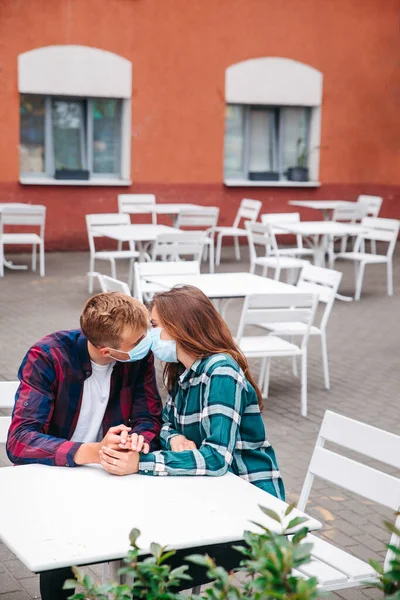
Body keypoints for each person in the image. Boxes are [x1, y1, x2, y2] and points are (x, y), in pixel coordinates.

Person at [6, 291, 163, 600]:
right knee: (60, 555)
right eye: (138, 340)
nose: (148, 342)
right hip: (55, 475)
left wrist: (137, 439)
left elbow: (148, 415)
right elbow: (20, 439)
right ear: (108, 351)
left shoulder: (137, 357)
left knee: (145, 543)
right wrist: (90, 451)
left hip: (113, 475)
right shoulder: (48, 356)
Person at [100, 285, 284, 499]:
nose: (151, 335)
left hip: (250, 493)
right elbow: (165, 423)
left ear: (178, 327)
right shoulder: (184, 370)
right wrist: (175, 438)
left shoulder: (221, 372)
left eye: (155, 326)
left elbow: (217, 457)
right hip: (209, 488)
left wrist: (141, 463)